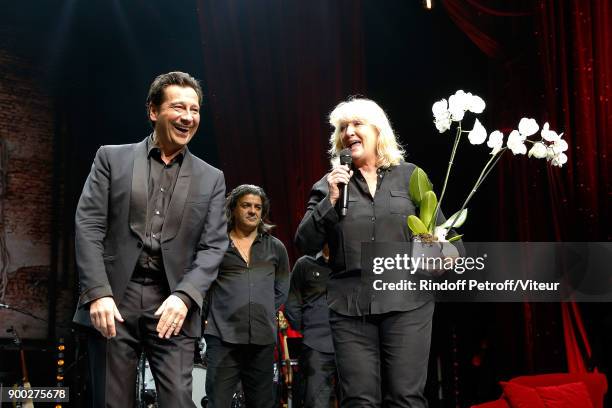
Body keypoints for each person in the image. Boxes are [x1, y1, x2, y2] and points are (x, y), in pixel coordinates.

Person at [295, 98, 464, 407]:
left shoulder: (411, 176)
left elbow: (449, 238)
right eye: (343, 128)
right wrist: (330, 200)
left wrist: (442, 253)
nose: (349, 132)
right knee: (359, 401)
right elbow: (305, 243)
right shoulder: (328, 185)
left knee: (406, 398)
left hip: (408, 305)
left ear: (377, 130)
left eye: (357, 124)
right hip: (350, 308)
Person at [73, 71, 228, 408]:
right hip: (115, 299)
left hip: (172, 301)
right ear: (153, 111)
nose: (188, 117)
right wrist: (97, 293)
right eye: (178, 107)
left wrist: (186, 296)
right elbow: (88, 225)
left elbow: (214, 245)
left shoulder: (211, 178)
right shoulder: (111, 158)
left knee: (177, 401)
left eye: (195, 109)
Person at [204, 184, 290, 408]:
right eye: (246, 206)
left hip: (261, 340)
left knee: (262, 403)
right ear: (233, 209)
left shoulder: (276, 248)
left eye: (258, 207)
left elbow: (281, 289)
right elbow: (202, 285)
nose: (253, 211)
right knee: (217, 402)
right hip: (222, 338)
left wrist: (264, 314)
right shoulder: (216, 246)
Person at [285, 245, 338, 408]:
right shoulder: (304, 264)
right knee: (316, 403)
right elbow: (291, 305)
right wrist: (308, 330)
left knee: (357, 401)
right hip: (316, 346)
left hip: (352, 345)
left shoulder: (353, 263)